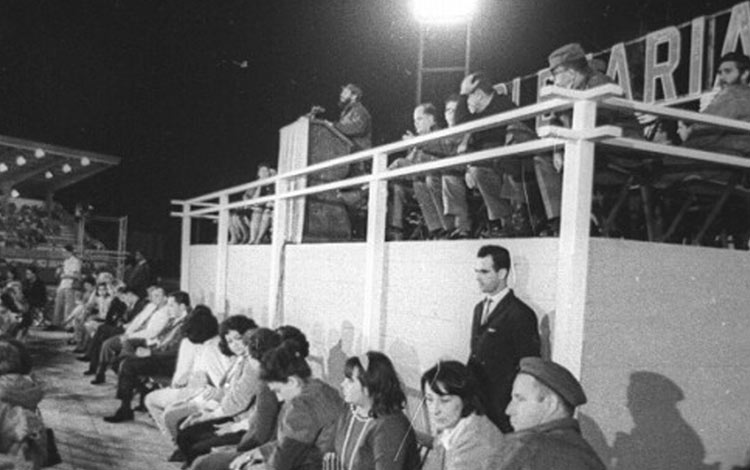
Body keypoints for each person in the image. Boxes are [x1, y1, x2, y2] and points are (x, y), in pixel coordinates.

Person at [536, 42, 642, 234]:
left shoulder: (600, 83)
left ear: (570, 72)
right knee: (542, 158)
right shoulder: (570, 91)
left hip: (620, 151)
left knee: (574, 155)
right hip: (593, 150)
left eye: (556, 74)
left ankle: (583, 222)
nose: (554, 80)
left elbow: (597, 122)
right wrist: (559, 150)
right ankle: (559, 220)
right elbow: (553, 124)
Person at [228, 339, 345, 470]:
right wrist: (256, 453)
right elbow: (290, 444)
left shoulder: (301, 406)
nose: (279, 398)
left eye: (278, 391)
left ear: (292, 382)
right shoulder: (323, 389)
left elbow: (283, 462)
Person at [175, 327, 280, 467]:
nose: (245, 357)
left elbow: (258, 430)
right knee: (187, 433)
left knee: (197, 448)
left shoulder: (265, 381)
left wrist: (233, 430)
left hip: (247, 432)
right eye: (230, 341)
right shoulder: (249, 366)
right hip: (241, 423)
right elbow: (229, 391)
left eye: (248, 355)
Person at [468, 245, 540, 432]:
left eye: (484, 271)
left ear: (502, 273)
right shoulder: (479, 309)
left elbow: (528, 367)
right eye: (476, 271)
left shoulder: (520, 314)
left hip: (501, 413)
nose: (478, 277)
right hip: (477, 409)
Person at [456, 72, 535, 238]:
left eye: (467, 97)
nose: (466, 101)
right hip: (491, 163)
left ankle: (520, 219)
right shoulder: (478, 115)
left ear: (478, 94)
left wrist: (463, 92)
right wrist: (469, 167)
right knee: (478, 170)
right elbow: (460, 125)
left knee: (505, 161)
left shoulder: (504, 104)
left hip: (515, 160)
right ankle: (503, 221)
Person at [490, 357, 605, 469]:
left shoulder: (526, 449)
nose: (509, 410)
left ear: (551, 404)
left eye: (520, 399)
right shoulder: (586, 455)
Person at [161, 315, 258, 443]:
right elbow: (226, 390)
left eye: (238, 339)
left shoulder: (252, 364)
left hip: (237, 417)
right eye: (230, 341)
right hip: (226, 409)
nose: (235, 345)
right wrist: (208, 407)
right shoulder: (239, 360)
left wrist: (209, 415)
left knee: (186, 432)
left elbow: (238, 400)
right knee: (182, 426)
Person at [144, 304, 232, 437]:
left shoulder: (211, 350)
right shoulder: (210, 344)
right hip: (195, 389)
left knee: (152, 400)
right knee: (158, 401)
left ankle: (173, 439)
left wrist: (197, 385)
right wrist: (190, 376)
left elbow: (222, 383)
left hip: (201, 394)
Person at [321, 351, 419, 470]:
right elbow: (329, 447)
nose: (343, 384)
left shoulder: (391, 426)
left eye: (350, 380)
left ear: (369, 386)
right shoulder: (351, 410)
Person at [103, 290, 191, 423]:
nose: (169, 308)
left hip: (168, 362)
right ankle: (143, 391)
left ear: (182, 306)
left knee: (127, 365)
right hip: (159, 354)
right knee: (119, 362)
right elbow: (163, 339)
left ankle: (125, 408)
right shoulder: (174, 320)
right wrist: (152, 347)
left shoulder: (186, 324)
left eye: (172, 305)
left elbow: (177, 351)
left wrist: (151, 353)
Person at [389, 103, 457, 240]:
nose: (416, 124)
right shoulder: (418, 141)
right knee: (398, 186)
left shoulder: (441, 135)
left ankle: (444, 228)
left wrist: (416, 144)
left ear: (431, 119)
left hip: (440, 179)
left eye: (419, 119)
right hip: (420, 181)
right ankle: (397, 230)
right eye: (414, 121)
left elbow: (442, 153)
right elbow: (407, 163)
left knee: (423, 180)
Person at [420, 361, 503, 470]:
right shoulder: (452, 427)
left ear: (465, 400)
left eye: (445, 401)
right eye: (429, 399)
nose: (435, 410)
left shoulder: (477, 441)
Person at [92, 285, 169, 384]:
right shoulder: (150, 306)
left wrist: (130, 336)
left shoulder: (165, 312)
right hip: (132, 334)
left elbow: (152, 332)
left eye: (157, 296)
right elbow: (137, 321)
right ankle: (100, 374)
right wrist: (127, 333)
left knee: (124, 351)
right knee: (107, 344)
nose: (154, 298)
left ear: (165, 298)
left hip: (145, 339)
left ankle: (124, 378)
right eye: (153, 296)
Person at [681, 51, 750, 155]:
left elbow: (702, 130)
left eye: (728, 71)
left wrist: (688, 133)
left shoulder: (734, 95)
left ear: (745, 73)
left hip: (724, 159)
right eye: (720, 73)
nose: (722, 78)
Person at [334, 83, 372, 151]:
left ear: (354, 96)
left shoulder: (359, 110)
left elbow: (356, 128)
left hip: (359, 153)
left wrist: (335, 125)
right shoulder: (348, 112)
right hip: (349, 150)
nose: (341, 95)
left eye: (345, 93)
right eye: (342, 92)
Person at [52, 244, 81, 328]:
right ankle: (55, 323)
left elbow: (76, 276)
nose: (63, 254)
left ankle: (68, 325)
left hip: (70, 285)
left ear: (69, 252)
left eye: (64, 252)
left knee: (68, 306)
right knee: (58, 304)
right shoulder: (65, 261)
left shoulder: (76, 261)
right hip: (62, 284)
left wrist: (65, 275)